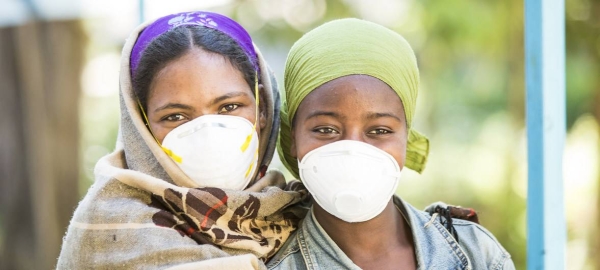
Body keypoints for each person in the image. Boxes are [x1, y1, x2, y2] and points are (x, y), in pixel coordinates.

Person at [57, 11, 308, 269]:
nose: (208, 134)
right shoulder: (108, 230)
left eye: (229, 106)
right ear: (141, 127)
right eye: (175, 116)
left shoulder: (310, 219)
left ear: (262, 107)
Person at [268, 18, 515, 269]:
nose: (353, 150)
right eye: (325, 129)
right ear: (293, 137)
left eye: (379, 130)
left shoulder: (475, 252)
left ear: (406, 140)